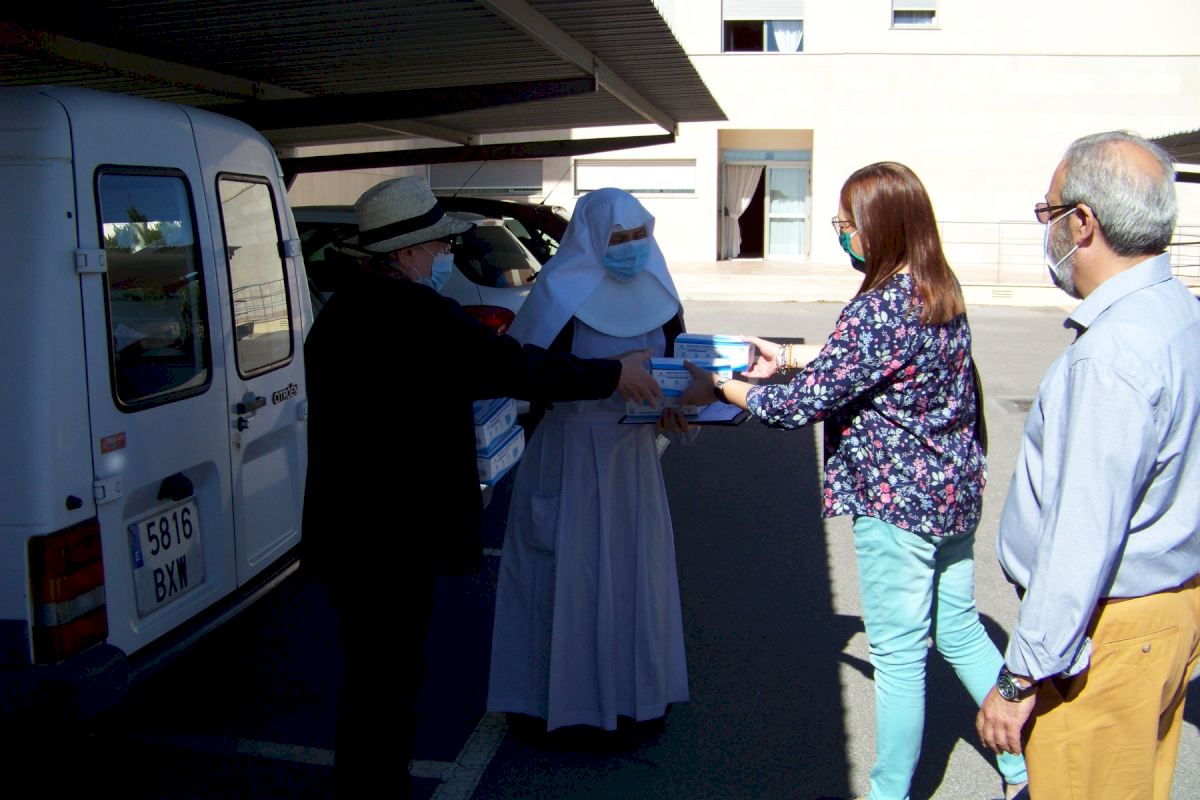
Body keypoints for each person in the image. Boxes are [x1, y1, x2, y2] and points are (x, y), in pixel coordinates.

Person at [301, 176, 661, 797]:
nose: (445, 256)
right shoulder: (416, 314)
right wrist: (611, 373)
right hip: (395, 532)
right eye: (439, 247)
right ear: (406, 252)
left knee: (368, 672)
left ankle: (365, 781)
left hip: (347, 525)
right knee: (390, 679)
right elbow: (511, 366)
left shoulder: (341, 311)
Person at [680, 162, 1028, 800]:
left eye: (847, 224)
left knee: (899, 658)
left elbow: (794, 407)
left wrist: (723, 386)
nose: (843, 235)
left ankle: (889, 794)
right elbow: (868, 361)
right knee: (957, 630)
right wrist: (787, 356)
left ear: (881, 228)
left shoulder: (880, 307)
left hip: (897, 506)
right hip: (951, 496)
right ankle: (1022, 771)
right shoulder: (936, 289)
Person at [975, 131, 1200, 799]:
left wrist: (1019, 677)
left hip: (1107, 633)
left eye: (1047, 213)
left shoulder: (1111, 355)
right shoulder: (1180, 313)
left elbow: (1080, 537)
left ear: (1082, 223)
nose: (1045, 230)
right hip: (1166, 614)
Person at [487, 187, 692, 736]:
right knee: (565, 577)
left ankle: (633, 701)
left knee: (632, 576)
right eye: (618, 238)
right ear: (591, 238)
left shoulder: (661, 291)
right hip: (569, 454)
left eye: (639, 235)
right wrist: (606, 378)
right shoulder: (558, 293)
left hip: (632, 460)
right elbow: (529, 375)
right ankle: (555, 706)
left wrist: (674, 412)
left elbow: (676, 370)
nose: (631, 247)